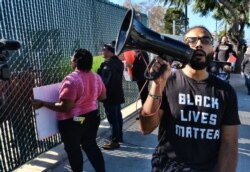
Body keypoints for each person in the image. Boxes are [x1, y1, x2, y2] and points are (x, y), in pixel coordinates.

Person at [139, 26, 240, 172]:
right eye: (191, 40)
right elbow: (146, 128)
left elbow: (229, 144)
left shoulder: (226, 92)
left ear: (212, 48)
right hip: (167, 167)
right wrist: (157, 85)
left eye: (205, 40)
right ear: (181, 46)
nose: (198, 44)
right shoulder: (168, 81)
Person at [32, 49, 106, 172]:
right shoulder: (96, 77)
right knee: (90, 146)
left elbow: (65, 107)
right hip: (92, 117)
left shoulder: (71, 79)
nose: (70, 59)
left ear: (76, 61)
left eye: (72, 57)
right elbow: (103, 96)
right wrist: (89, 96)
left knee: (73, 149)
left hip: (75, 120)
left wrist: (43, 103)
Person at [97, 41, 125, 150]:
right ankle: (119, 136)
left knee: (113, 119)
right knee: (118, 117)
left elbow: (104, 82)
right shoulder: (119, 62)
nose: (102, 52)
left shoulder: (107, 65)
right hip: (117, 94)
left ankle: (115, 141)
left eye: (104, 50)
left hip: (110, 96)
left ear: (109, 52)